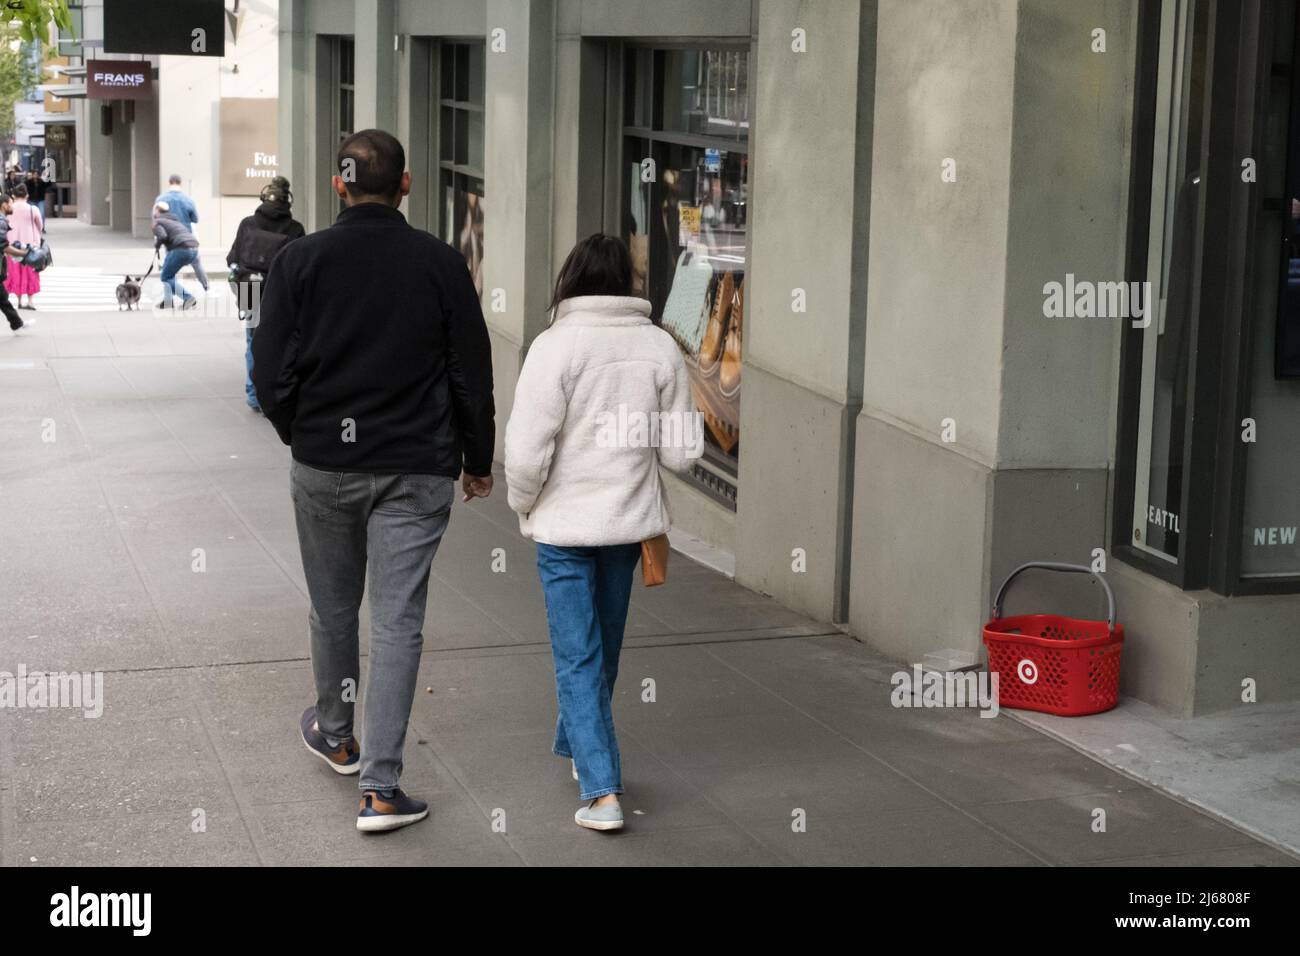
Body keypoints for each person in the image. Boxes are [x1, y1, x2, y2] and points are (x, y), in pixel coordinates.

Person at [253, 129, 495, 833]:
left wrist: (304, 430)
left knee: (332, 609)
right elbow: (469, 372)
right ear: (407, 185)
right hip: (416, 467)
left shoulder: (299, 261)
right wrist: (476, 459)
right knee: (397, 622)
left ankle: (336, 732)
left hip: (326, 462)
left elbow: (270, 370)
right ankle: (382, 789)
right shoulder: (441, 263)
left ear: (339, 184)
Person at [504, 233, 699, 832]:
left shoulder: (554, 347)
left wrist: (523, 504)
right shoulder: (659, 348)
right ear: (628, 284)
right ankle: (578, 748)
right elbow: (683, 453)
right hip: (626, 527)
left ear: (571, 280)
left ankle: (602, 793)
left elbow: (527, 451)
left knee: (577, 654)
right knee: (600, 650)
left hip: (565, 530)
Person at [226, 176, 306, 414]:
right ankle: (278, 392)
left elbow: (232, 258)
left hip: (249, 288)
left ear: (264, 197)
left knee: (252, 341)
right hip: (278, 290)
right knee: (283, 342)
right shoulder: (295, 228)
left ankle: (254, 396)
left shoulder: (248, 223)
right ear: (287, 201)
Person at [155, 174, 209, 291]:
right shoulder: (188, 199)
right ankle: (206, 287)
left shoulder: (161, 199)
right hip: (187, 238)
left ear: (169, 183)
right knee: (197, 263)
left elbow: (156, 219)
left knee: (169, 268)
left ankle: (169, 297)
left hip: (170, 239)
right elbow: (195, 219)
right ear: (180, 183)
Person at [151, 201, 199, 310]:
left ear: (158, 210)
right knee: (169, 274)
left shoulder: (157, 222)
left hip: (180, 249)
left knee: (165, 276)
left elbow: (162, 236)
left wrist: (157, 245)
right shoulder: (174, 221)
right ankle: (168, 302)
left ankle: (188, 298)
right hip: (193, 249)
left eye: (155, 209)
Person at [0, 193, 35, 334]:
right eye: (10, 203)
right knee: (2, 297)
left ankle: (17, 323)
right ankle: (17, 323)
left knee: (2, 298)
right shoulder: (1, 220)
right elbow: (2, 245)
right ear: (3, 204)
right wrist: (23, 253)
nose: (12, 206)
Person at [5, 184, 43, 310]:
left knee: (15, 273)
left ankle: (19, 301)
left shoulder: (8, 209)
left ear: (14, 196)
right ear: (27, 195)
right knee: (30, 273)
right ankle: (30, 301)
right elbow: (40, 226)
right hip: (29, 246)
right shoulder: (33, 209)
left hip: (11, 246)